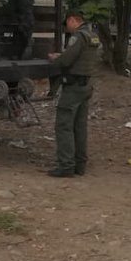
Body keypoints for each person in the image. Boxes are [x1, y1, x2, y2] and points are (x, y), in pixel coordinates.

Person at [47, 11, 99, 177]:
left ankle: (66, 165)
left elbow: (67, 60)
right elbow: (80, 57)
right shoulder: (92, 35)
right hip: (86, 86)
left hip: (73, 87)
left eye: (67, 24)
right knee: (79, 127)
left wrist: (56, 58)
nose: (66, 28)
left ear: (72, 20)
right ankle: (79, 164)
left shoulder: (78, 36)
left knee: (64, 126)